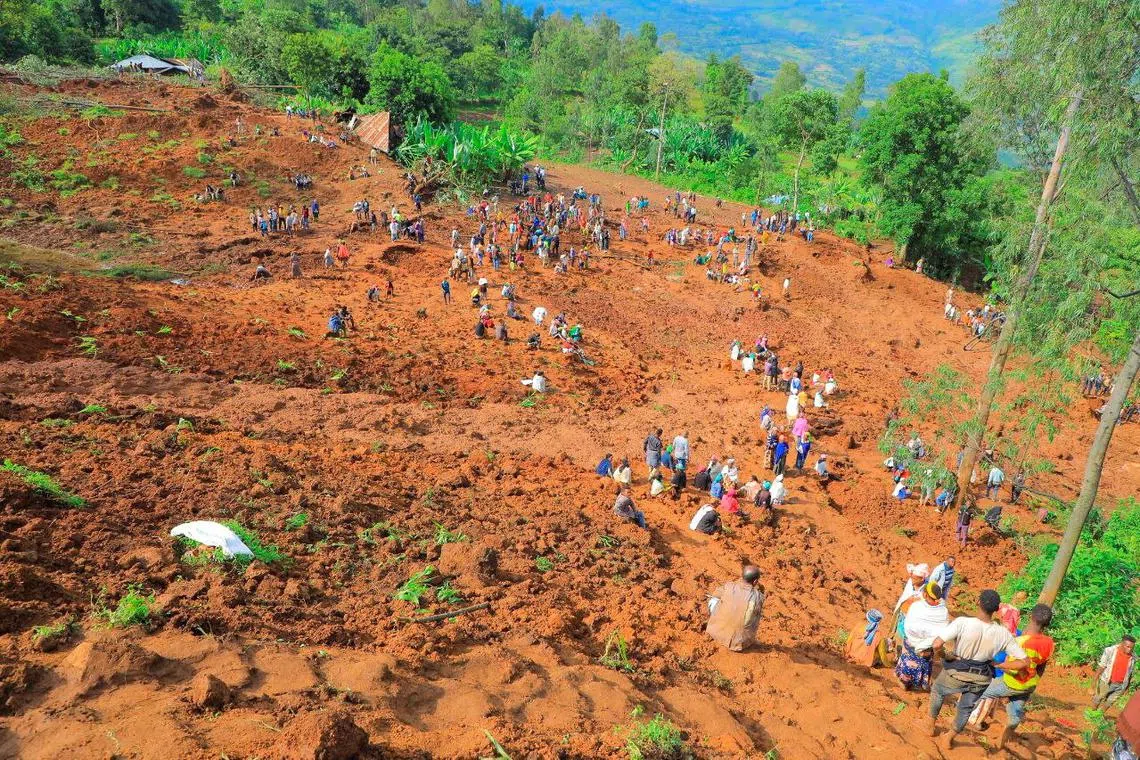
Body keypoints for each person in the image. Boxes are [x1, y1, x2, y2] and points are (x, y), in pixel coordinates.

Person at [927, 590, 1029, 751]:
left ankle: (930, 725)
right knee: (965, 708)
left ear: (978, 603)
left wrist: (945, 656)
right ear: (996, 610)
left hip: (957, 671)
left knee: (938, 690)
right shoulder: (1003, 634)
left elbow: (936, 644)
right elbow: (1024, 661)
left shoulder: (962, 623)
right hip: (981, 678)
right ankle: (949, 737)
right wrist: (998, 665)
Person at [973, 604, 1055, 750]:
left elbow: (1014, 667)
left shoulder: (1020, 642)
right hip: (1029, 685)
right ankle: (1003, 741)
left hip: (1011, 682)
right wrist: (1034, 681)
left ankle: (959, 722)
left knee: (979, 690)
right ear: (1047, 624)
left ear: (1031, 616)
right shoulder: (1049, 643)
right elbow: (1042, 666)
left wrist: (996, 664)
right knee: (1015, 714)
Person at [897, 581, 949, 691]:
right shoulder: (943, 612)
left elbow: (909, 626)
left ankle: (905, 681)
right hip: (928, 647)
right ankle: (922, 682)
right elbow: (942, 632)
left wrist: (917, 637)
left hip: (912, 642)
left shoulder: (916, 606)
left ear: (925, 595)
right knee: (924, 663)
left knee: (909, 661)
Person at [705, 565, 765, 652]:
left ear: (742, 576)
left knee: (714, 599)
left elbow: (714, 595)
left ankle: (716, 625)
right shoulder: (759, 596)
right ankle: (749, 638)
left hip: (715, 634)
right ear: (755, 581)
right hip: (740, 643)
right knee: (755, 614)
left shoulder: (729, 586)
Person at [1093, 635, 1136, 712]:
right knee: (1098, 698)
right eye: (1127, 647)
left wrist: (1126, 688)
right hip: (1107, 681)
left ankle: (1099, 715)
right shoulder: (1110, 651)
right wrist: (1093, 683)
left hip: (1121, 685)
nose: (1129, 650)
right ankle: (1092, 713)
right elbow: (1101, 666)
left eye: (1131, 648)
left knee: (1110, 702)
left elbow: (1130, 673)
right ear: (1121, 644)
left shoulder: (1133, 657)